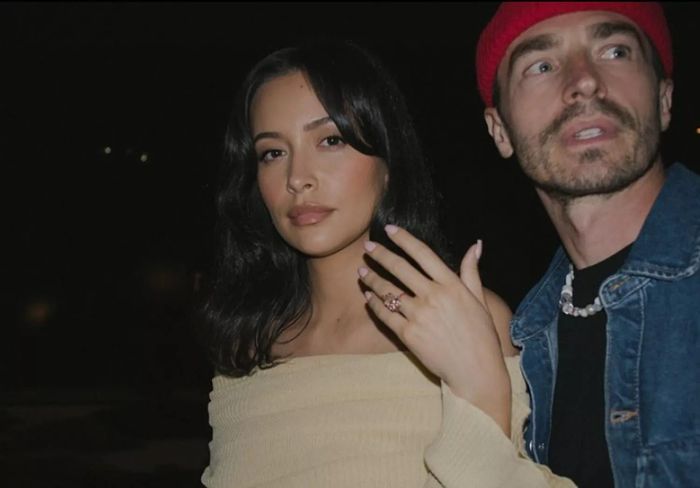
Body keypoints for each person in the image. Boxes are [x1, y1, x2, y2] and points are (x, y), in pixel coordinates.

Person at [199, 39, 573, 487]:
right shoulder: (248, 342)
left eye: (331, 140)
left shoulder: (467, 318)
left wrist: (480, 390)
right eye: (272, 153)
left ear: (388, 164)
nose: (297, 178)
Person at [475, 2, 700, 486]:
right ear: (500, 131)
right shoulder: (523, 342)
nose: (584, 81)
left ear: (664, 100)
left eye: (615, 51)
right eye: (541, 66)